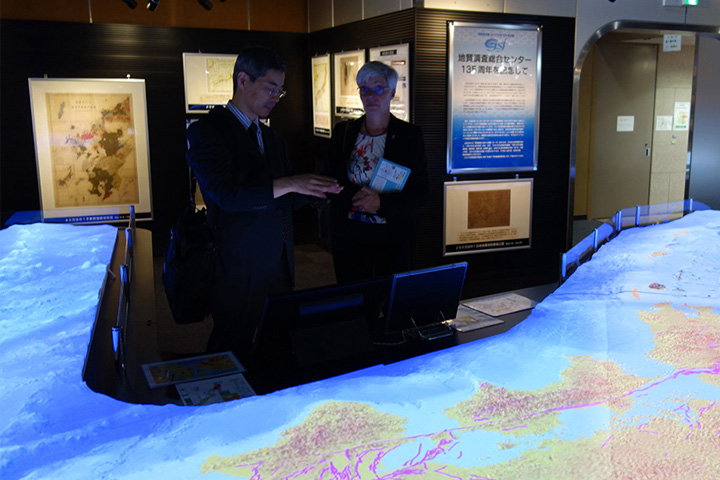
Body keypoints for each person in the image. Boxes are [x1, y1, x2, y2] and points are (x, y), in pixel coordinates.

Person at [186, 46, 342, 357]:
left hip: (279, 261)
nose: (276, 97)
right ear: (243, 80)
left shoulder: (271, 138)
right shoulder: (208, 132)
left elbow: (281, 198)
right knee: (232, 345)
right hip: (238, 263)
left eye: (280, 91)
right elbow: (226, 195)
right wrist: (292, 183)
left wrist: (317, 190)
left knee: (277, 343)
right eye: (271, 88)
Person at [323, 61, 430, 284]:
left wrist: (381, 203)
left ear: (392, 92)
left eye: (378, 89)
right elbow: (328, 180)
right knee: (353, 294)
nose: (371, 96)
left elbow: (421, 193)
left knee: (389, 295)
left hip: (392, 236)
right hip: (349, 235)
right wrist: (357, 198)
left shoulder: (409, 136)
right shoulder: (344, 132)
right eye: (364, 89)